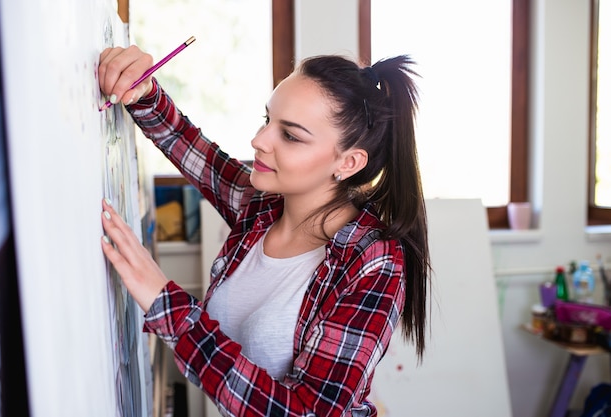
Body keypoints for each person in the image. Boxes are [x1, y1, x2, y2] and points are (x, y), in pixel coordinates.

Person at [98, 44, 431, 416]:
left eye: (290, 135)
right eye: (267, 118)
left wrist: (167, 305)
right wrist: (143, 91)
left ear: (348, 162)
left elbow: (303, 411)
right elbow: (192, 148)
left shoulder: (375, 263)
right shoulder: (262, 206)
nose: (259, 140)